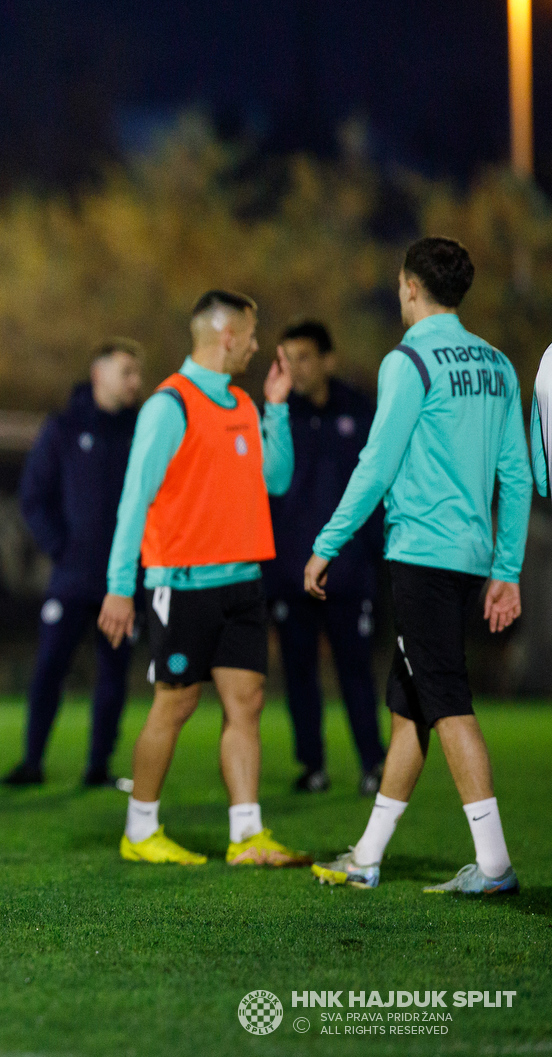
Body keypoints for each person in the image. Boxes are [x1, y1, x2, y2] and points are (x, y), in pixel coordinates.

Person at [308, 237, 528, 895]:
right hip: (467, 559)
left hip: (421, 554)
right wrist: (506, 567)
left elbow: (376, 464)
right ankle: (367, 856)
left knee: (445, 698)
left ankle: (493, 865)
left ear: (409, 285)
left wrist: (327, 541)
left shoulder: (408, 361)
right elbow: (514, 475)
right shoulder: (497, 364)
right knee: (411, 704)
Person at [100, 289, 309, 868]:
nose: (258, 345)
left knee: (246, 702)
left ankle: (247, 835)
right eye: (252, 333)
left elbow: (276, 479)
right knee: (175, 703)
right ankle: (140, 830)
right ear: (227, 336)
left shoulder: (244, 403)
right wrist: (120, 586)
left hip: (242, 583)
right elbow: (133, 503)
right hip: (181, 584)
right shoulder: (170, 405)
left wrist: (277, 408)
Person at [4, 339, 142, 788]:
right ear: (99, 374)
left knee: (114, 674)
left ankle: (98, 767)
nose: (135, 382)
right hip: (72, 578)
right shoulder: (63, 427)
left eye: (137, 374)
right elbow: (33, 497)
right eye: (127, 372)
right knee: (49, 668)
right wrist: (63, 550)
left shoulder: (143, 430)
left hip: (122, 583)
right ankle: (32, 762)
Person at [261, 319, 385, 796]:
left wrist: (369, 552)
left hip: (350, 572)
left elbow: (378, 485)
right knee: (298, 675)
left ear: (328, 360)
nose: (296, 368)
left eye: (305, 357)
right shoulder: (276, 413)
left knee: (356, 671)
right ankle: (312, 766)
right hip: (290, 572)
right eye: (287, 359)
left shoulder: (360, 410)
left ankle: (373, 764)